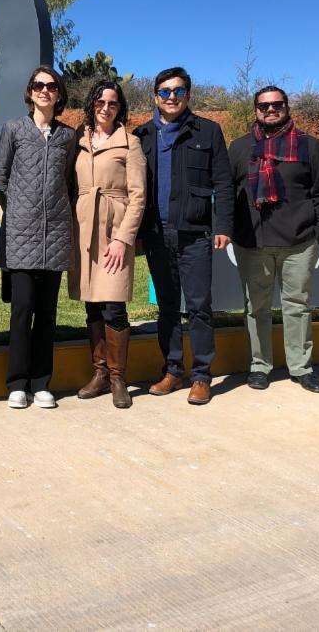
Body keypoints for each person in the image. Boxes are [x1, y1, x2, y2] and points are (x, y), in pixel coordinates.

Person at [133, 67, 233, 406]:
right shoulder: (142, 136)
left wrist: (223, 226)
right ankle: (173, 371)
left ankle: (201, 376)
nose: (171, 96)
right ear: (155, 96)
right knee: (167, 307)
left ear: (188, 94)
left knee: (200, 307)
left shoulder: (208, 131)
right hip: (156, 235)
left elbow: (223, 183)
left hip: (194, 234)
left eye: (178, 91)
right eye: (165, 91)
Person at [228, 86, 319, 393]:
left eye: (277, 104)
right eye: (264, 106)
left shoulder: (309, 146)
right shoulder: (239, 147)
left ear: (287, 107)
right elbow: (227, 192)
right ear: (255, 110)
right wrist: (231, 229)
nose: (271, 110)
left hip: (298, 241)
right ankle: (259, 366)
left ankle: (301, 368)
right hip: (252, 241)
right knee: (256, 308)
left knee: (297, 306)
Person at [0, 66, 77, 409]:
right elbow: (0, 177)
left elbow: (68, 183)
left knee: (47, 312)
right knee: (22, 308)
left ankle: (41, 383)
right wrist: (18, 211)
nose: (44, 90)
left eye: (51, 86)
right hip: (21, 235)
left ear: (59, 94)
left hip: (55, 235)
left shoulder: (67, 136)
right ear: (30, 92)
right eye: (38, 85)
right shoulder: (13, 129)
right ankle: (17, 383)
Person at [70, 78, 146, 409]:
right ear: (92, 104)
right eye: (100, 102)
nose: (105, 108)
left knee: (114, 306)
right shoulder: (79, 139)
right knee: (92, 304)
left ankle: (118, 378)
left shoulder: (130, 143)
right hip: (83, 229)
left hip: (114, 231)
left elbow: (138, 196)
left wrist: (122, 239)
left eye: (112, 103)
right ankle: (99, 373)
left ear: (120, 107)